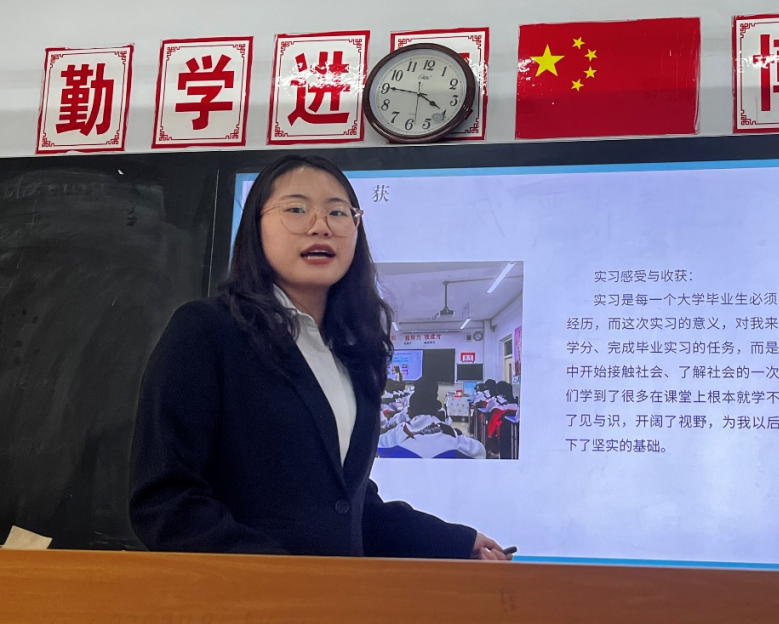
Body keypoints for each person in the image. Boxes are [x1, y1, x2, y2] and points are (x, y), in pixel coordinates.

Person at [129, 154, 510, 560]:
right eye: (296, 209)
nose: (320, 226)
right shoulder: (207, 331)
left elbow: (348, 506)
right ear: (256, 227)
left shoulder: (355, 352)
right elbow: (166, 501)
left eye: (338, 212)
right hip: (244, 596)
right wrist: (291, 580)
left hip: (335, 597)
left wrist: (456, 542)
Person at [378, 376, 485, 459]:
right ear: (437, 410)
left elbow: (377, 445)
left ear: (409, 411)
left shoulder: (399, 431)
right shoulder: (452, 434)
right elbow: (480, 452)